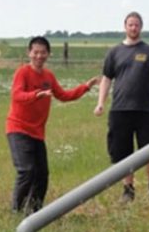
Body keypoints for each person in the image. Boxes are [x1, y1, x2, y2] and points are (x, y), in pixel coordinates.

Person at [6, 37, 99, 215]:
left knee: (42, 174)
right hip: (18, 128)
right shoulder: (22, 72)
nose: (39, 56)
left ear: (48, 54)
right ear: (29, 53)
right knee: (26, 170)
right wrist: (36, 95)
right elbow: (17, 95)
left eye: (43, 52)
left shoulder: (48, 76)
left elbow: (64, 95)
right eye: (35, 52)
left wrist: (86, 87)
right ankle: (16, 211)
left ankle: (35, 213)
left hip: (37, 132)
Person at [94, 12, 149, 205]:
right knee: (123, 151)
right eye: (130, 25)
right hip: (120, 109)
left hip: (145, 110)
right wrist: (100, 103)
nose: (133, 28)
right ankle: (128, 190)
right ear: (125, 26)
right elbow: (106, 79)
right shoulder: (114, 52)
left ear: (141, 27)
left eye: (136, 25)